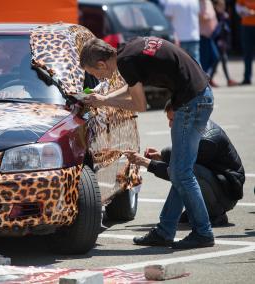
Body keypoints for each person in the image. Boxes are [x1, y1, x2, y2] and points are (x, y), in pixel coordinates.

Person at [79, 37, 214, 249]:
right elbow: (132, 88)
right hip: (199, 96)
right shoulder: (128, 50)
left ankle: (203, 232)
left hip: (192, 102)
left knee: (182, 174)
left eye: (95, 73)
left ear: (102, 64)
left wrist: (103, 101)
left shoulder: (126, 63)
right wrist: (104, 95)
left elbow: (139, 104)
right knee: (181, 172)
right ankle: (165, 231)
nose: (97, 78)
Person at [124, 100, 245, 227]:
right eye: (169, 120)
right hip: (218, 183)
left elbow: (179, 171)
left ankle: (214, 213)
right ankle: (196, 210)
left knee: (187, 172)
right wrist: (161, 156)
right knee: (185, 170)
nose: (170, 125)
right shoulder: (194, 128)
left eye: (173, 120)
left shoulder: (206, 140)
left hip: (226, 195)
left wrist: (147, 162)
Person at [210, 0, 238, 87]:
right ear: (215, 6)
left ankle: (226, 79)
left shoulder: (223, 15)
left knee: (222, 59)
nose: (223, 8)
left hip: (223, 41)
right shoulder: (215, 16)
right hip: (216, 41)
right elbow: (216, 29)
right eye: (221, 6)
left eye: (224, 6)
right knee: (217, 60)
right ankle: (210, 78)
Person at [199, 0, 220, 82]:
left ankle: (207, 79)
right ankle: (204, 81)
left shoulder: (208, 2)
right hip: (202, 36)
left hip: (210, 36)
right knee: (206, 60)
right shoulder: (197, 3)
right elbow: (201, 17)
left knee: (215, 58)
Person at [236, 0, 255, 85]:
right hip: (246, 26)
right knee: (247, 53)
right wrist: (243, 11)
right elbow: (238, 7)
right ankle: (247, 78)